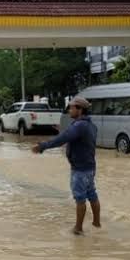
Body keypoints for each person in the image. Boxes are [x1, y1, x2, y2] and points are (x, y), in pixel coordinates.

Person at [32, 96, 100, 236]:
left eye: (72, 107)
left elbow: (63, 139)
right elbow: (73, 137)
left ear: (80, 109)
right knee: (92, 195)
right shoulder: (91, 125)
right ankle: (97, 223)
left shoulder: (79, 125)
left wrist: (43, 146)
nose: (69, 110)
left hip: (80, 169)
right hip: (89, 167)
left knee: (80, 198)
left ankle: (78, 229)